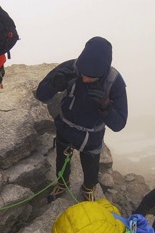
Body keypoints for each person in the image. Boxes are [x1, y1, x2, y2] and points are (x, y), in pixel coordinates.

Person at [35, 37, 128, 202]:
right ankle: (62, 184)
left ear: (103, 71)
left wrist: (106, 108)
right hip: (65, 128)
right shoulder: (71, 68)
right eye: (83, 74)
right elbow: (41, 95)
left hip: (91, 137)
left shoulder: (114, 82)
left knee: (91, 168)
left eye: (91, 77)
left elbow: (119, 124)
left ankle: (88, 188)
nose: (85, 79)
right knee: (62, 160)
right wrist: (54, 85)